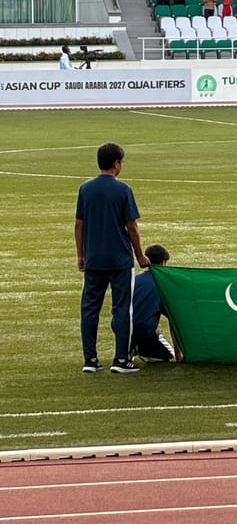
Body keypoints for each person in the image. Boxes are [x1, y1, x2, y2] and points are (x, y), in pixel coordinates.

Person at [75, 142, 149, 374]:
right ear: (116, 163)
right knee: (122, 309)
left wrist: (81, 254)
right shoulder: (123, 190)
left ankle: (90, 359)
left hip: (94, 258)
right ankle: (121, 360)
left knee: (89, 308)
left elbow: (79, 224)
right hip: (119, 260)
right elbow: (132, 227)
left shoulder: (85, 189)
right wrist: (140, 255)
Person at [131, 244, 179, 363]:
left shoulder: (133, 280)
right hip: (144, 332)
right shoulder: (163, 285)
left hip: (121, 328)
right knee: (167, 356)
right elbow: (174, 319)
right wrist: (178, 353)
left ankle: (129, 347)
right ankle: (140, 348)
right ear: (163, 262)